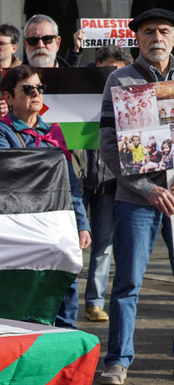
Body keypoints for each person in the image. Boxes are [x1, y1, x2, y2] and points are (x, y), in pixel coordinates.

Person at [97, 8, 174, 385]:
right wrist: (148, 187)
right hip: (136, 199)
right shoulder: (120, 79)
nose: (156, 38)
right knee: (127, 283)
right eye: (148, 31)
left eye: (164, 31)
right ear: (137, 39)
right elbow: (109, 146)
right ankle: (118, 359)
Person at [0, 65, 91, 330]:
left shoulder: (53, 133)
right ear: (8, 98)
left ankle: (65, 335)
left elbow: (69, 183)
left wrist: (82, 224)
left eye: (39, 88)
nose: (36, 94)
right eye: (27, 89)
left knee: (64, 278)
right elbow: (9, 174)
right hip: (20, 224)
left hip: (55, 220)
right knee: (23, 289)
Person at [80, 45, 133, 324]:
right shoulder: (76, 91)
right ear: (97, 65)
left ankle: (94, 302)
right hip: (77, 180)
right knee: (72, 243)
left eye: (120, 72)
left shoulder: (129, 98)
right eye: (110, 70)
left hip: (109, 181)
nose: (114, 77)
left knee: (103, 246)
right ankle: (64, 299)